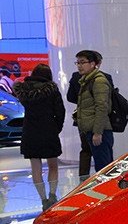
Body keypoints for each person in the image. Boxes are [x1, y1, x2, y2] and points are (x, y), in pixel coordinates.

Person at [13, 64, 65, 210]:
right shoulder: (52, 89)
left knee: (36, 168)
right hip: (48, 129)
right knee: (53, 165)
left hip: (30, 131)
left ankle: (43, 199)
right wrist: (56, 128)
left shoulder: (23, 90)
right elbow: (60, 111)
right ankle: (52, 195)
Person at [67, 51, 114, 178]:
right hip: (89, 129)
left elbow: (102, 107)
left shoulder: (98, 81)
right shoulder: (85, 80)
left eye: (83, 62)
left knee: (104, 169)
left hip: (98, 130)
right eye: (78, 62)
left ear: (93, 64)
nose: (79, 66)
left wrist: (97, 132)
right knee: (101, 167)